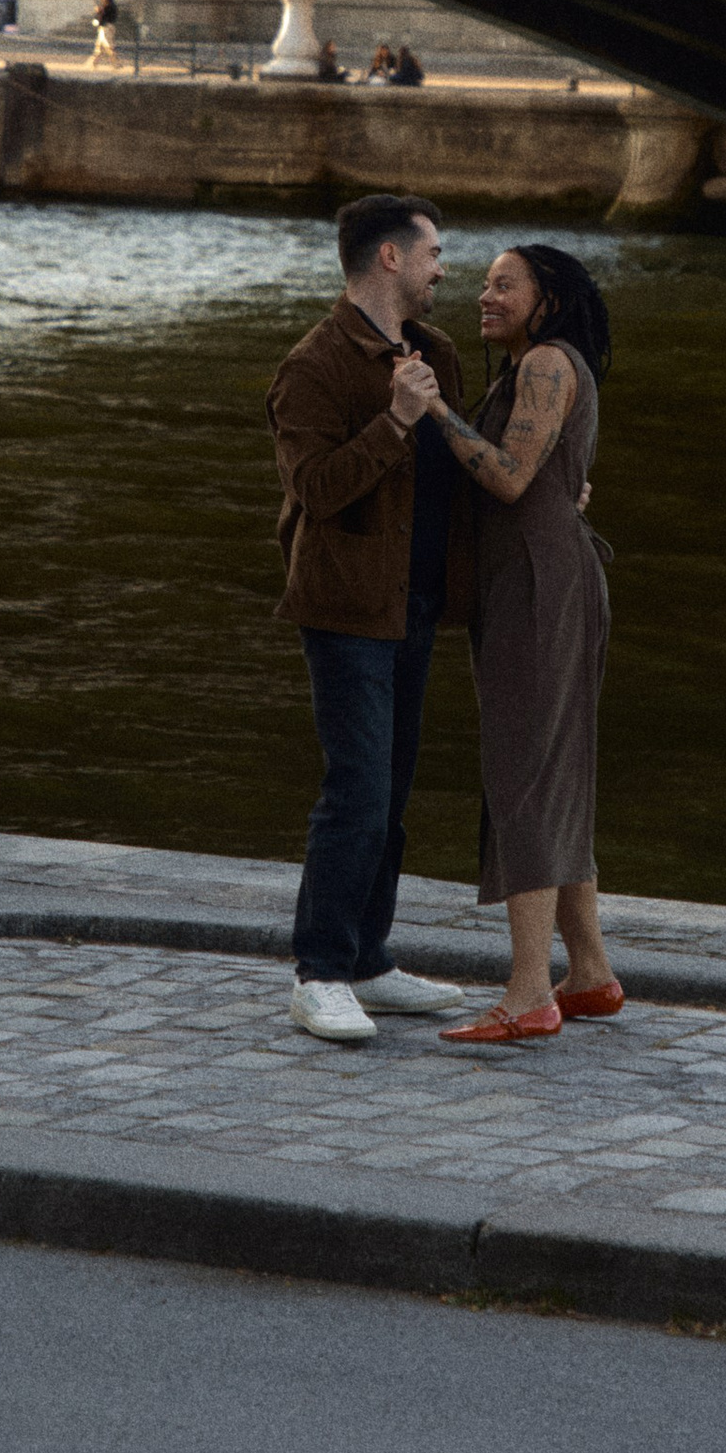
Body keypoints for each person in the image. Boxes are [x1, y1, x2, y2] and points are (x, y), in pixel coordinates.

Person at [266, 194, 473, 1046]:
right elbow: (313, 490)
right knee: (354, 790)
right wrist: (396, 420)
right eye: (433, 252)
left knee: (392, 791)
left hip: (415, 603)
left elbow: (466, 465)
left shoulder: (439, 353)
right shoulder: (314, 365)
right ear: (389, 258)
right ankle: (319, 973)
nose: (442, 268)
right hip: (346, 605)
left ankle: (370, 959)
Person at [406, 243, 617, 1045]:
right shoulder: (530, 368)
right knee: (553, 769)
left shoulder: (546, 367)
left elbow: (508, 477)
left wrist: (433, 408)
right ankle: (590, 973)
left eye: (506, 285)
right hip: (533, 578)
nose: (486, 296)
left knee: (524, 773)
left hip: (540, 584)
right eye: (485, 284)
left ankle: (531, 992)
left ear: (548, 299)